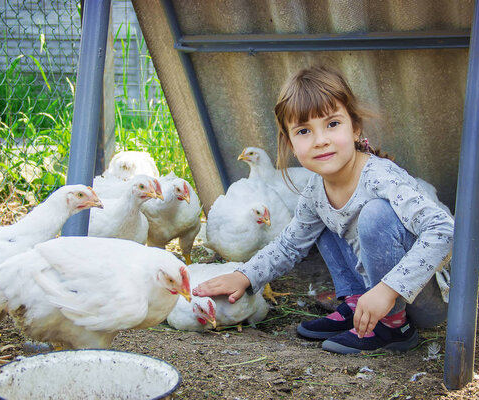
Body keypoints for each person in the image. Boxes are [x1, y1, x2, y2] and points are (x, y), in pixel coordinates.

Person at [193, 65, 453, 354]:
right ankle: (357, 305)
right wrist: (244, 276)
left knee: (376, 215)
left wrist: (388, 290)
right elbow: (290, 244)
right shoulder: (317, 188)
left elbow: (445, 231)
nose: (320, 140)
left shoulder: (380, 177)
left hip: (423, 298)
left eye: (332, 124)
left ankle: (393, 327)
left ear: (355, 128)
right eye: (304, 131)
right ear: (290, 143)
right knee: (321, 216)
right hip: (373, 294)